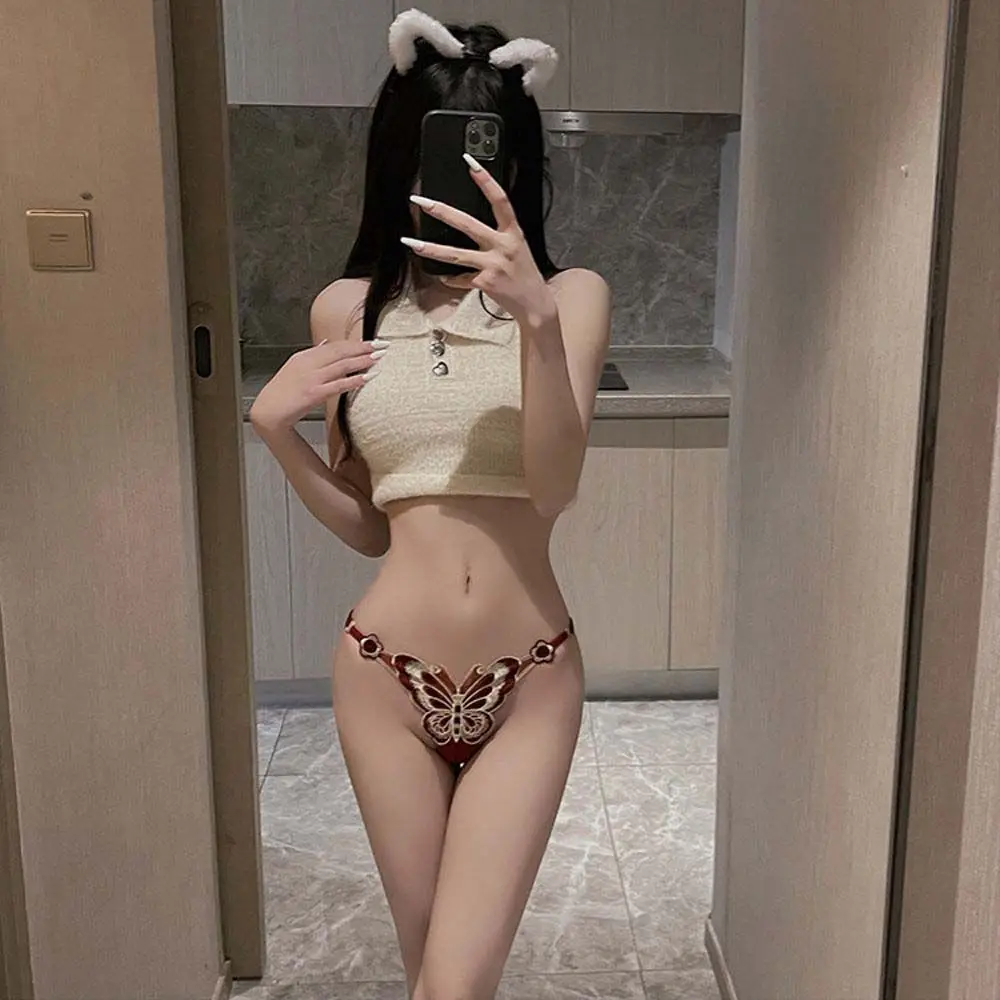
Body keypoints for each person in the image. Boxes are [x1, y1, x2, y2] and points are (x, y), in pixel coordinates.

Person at [248, 9, 611, 998]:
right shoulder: (347, 308)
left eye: (487, 157)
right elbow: (372, 524)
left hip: (528, 677)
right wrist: (276, 433)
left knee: (451, 985)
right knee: (435, 980)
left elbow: (554, 486)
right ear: (398, 159)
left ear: (519, 164)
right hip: (383, 675)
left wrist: (536, 324)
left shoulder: (571, 297)